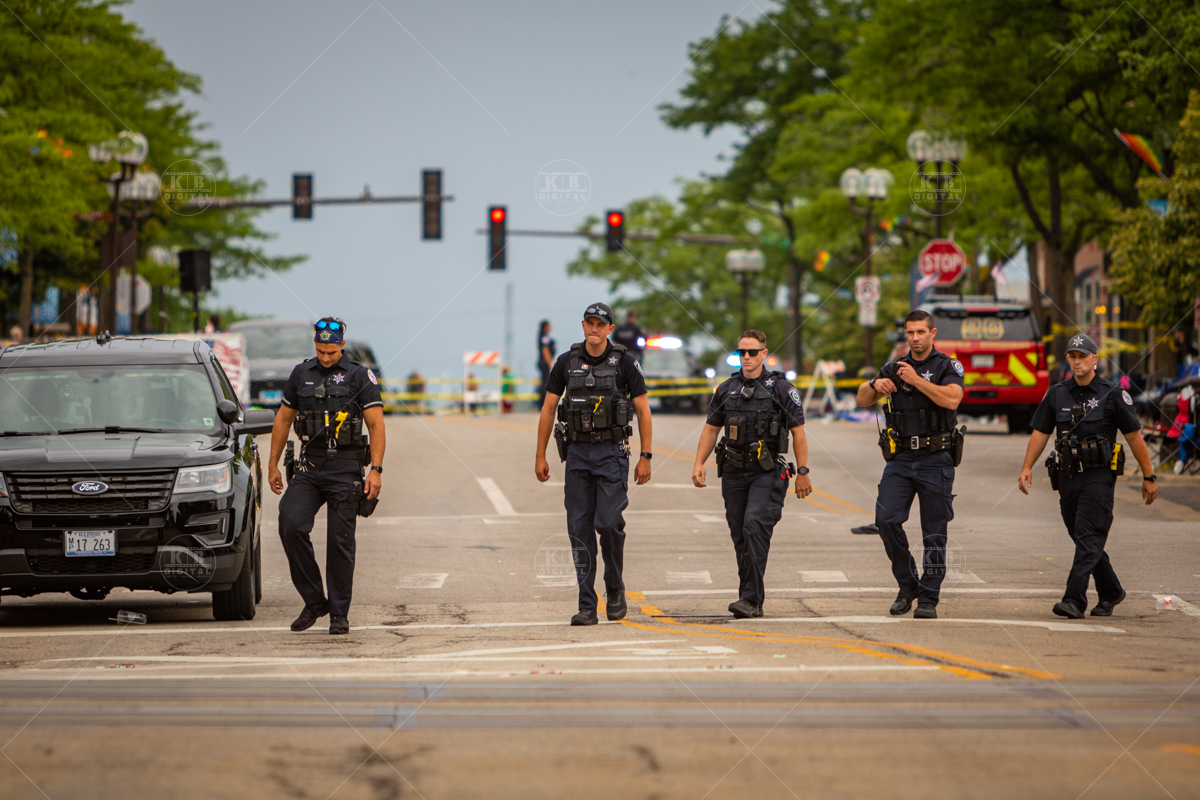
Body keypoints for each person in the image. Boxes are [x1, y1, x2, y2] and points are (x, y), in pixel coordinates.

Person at [1017, 333, 1157, 618]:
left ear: (1095, 359)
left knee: (1088, 534)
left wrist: (1149, 476)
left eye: (1082, 356)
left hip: (1099, 477)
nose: (1077, 361)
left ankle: (1074, 599)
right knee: (1083, 538)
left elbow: (1134, 437)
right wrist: (1026, 466)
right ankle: (1111, 591)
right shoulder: (1057, 393)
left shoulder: (1112, 393)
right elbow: (1040, 432)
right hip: (1067, 477)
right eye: (1072, 356)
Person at [535, 302, 653, 626]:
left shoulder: (625, 362)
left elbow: (643, 411)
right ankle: (587, 604)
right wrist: (540, 455)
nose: (595, 329)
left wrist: (646, 456)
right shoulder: (565, 362)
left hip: (612, 453)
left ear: (610, 329)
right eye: (590, 323)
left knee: (609, 523)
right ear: (583, 325)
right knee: (579, 528)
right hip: (577, 454)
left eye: (601, 324)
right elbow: (548, 409)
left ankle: (614, 588)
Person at [267, 317, 386, 635]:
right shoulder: (301, 373)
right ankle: (314, 600)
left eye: (331, 352)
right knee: (290, 523)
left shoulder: (359, 375)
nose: (326, 357)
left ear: (342, 345)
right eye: (320, 351)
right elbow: (283, 419)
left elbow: (376, 425)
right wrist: (273, 465)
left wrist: (375, 470)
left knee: (339, 542)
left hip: (345, 468)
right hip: (310, 467)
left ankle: (338, 613)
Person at [692, 330, 812, 618]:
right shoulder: (726, 389)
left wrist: (803, 471)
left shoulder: (780, 388)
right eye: (741, 352)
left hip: (766, 471)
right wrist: (698, 463)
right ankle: (750, 599)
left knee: (754, 526)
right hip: (734, 471)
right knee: (740, 535)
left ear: (764, 353)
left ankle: (750, 599)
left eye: (752, 352)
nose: (746, 357)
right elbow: (711, 429)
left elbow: (798, 432)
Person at [856, 310, 965, 620]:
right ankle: (908, 584)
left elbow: (952, 399)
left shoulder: (947, 366)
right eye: (910, 332)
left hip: (935, 458)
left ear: (932, 333)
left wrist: (916, 381)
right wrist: (876, 383)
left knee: (934, 532)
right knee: (886, 520)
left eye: (921, 332)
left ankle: (928, 598)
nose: (915, 338)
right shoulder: (895, 367)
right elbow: (861, 399)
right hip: (901, 458)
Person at [537, 320, 555, 407]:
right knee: (545, 383)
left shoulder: (544, 336)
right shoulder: (544, 337)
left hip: (544, 363)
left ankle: (542, 402)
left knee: (544, 382)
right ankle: (542, 403)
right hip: (544, 363)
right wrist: (550, 363)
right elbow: (545, 350)